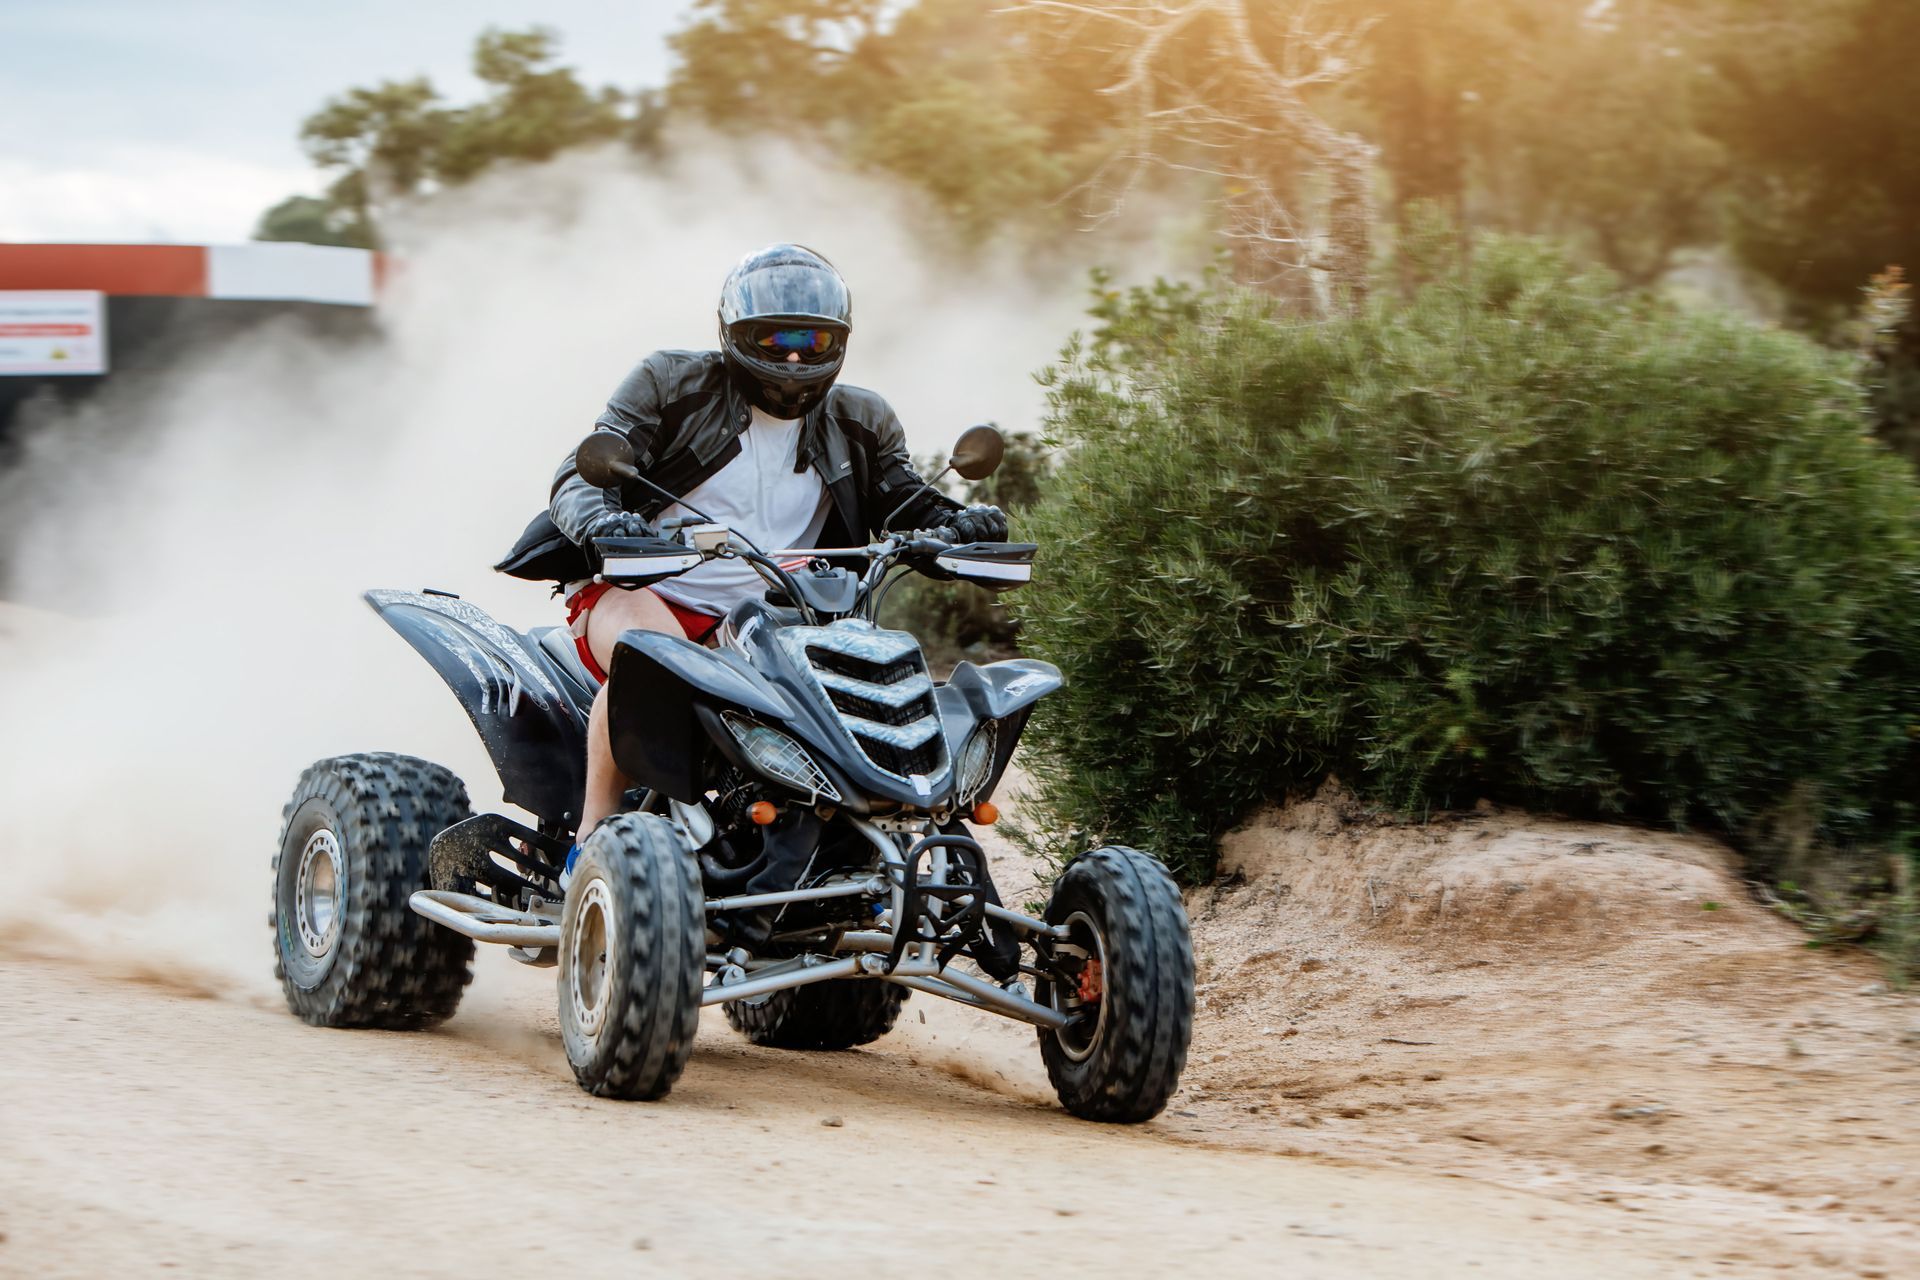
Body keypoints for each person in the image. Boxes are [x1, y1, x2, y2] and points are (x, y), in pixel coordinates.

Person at [495, 244, 1007, 878]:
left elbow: (903, 499)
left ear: (838, 341)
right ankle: (592, 841)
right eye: (775, 338)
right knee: (649, 661)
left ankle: (864, 855)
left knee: (868, 677)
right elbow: (582, 475)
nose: (794, 356)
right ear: (735, 334)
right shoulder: (668, 382)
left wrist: (958, 523)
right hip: (647, 588)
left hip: (776, 610)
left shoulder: (863, 417)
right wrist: (604, 523)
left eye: (813, 339)